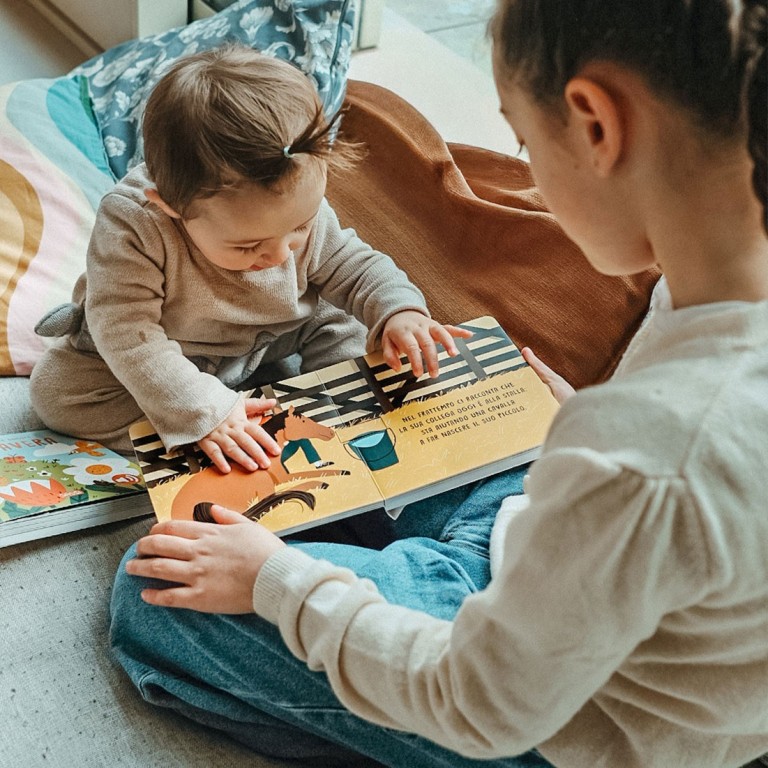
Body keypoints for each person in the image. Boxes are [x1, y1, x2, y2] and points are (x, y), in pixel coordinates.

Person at [108, 1, 768, 767]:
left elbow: (480, 704)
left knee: (154, 589)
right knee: (402, 428)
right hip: (574, 584)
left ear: (595, 124)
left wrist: (277, 582)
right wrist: (573, 428)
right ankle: (416, 581)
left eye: (524, 139)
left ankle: (403, 600)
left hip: (536, 713)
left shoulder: (649, 451)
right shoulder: (701, 308)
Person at [29, 45, 469, 472]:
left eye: (300, 227)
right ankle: (214, 419)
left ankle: (326, 407)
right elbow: (126, 332)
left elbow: (356, 266)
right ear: (171, 207)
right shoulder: (133, 223)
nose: (280, 254)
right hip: (170, 346)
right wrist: (201, 410)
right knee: (58, 395)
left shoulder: (294, 201)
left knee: (343, 318)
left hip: (269, 336)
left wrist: (400, 312)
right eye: (247, 245)